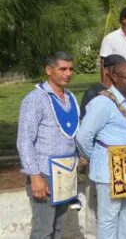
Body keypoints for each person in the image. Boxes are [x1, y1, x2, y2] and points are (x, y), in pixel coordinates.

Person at [77, 60, 126, 239]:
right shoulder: (102, 102)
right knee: (109, 217)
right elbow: (83, 136)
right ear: (114, 77)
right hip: (111, 168)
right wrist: (95, 157)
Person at [17, 52, 79, 239]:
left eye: (70, 69)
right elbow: (24, 140)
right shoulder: (36, 98)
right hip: (45, 173)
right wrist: (34, 175)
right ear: (48, 70)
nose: (68, 73)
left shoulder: (70, 97)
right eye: (63, 69)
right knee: (42, 231)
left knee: (58, 228)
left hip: (67, 172)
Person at [81, 54, 125, 119]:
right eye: (118, 68)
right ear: (106, 70)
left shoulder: (124, 92)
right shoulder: (93, 93)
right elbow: (85, 119)